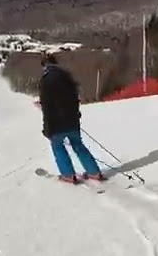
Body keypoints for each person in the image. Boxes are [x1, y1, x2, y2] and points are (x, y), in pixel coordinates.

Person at [37, 52, 106, 183]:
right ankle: (94, 172)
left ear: (44, 65)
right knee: (78, 145)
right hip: (72, 119)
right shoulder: (67, 76)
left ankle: (68, 175)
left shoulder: (46, 80)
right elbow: (75, 98)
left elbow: (47, 106)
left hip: (56, 122)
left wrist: (47, 128)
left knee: (57, 146)